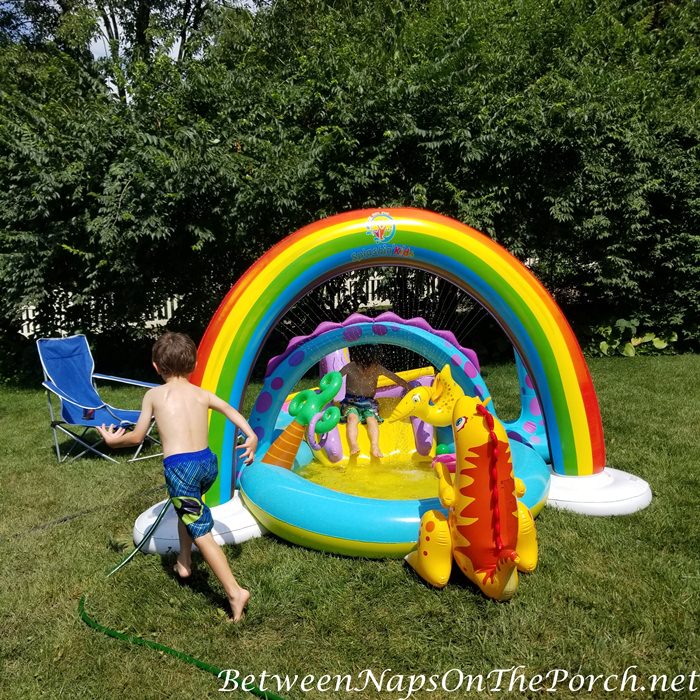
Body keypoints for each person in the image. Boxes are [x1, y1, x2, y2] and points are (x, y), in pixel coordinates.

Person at [97, 332, 257, 622]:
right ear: (194, 365)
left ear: (156, 367)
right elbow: (231, 411)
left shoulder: (154, 395)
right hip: (208, 465)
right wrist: (252, 435)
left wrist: (111, 442)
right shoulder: (201, 393)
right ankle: (184, 562)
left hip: (181, 469)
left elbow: (136, 436)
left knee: (200, 529)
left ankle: (235, 591)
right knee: (189, 509)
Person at [339, 344, 409, 458]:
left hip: (368, 403)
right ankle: (353, 445)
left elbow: (395, 378)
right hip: (350, 401)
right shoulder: (350, 367)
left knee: (372, 419)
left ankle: (375, 446)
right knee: (352, 418)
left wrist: (408, 386)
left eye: (369, 366)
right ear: (357, 361)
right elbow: (335, 378)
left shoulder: (378, 368)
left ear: (375, 363)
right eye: (362, 366)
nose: (365, 370)